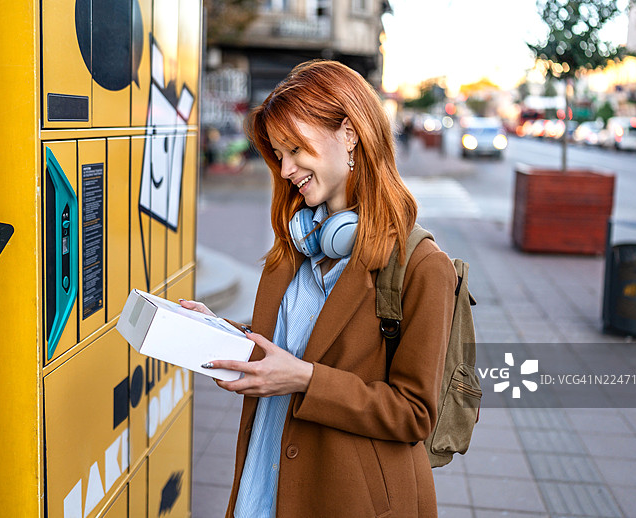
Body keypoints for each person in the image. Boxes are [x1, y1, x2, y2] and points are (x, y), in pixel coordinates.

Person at [180, 60, 456, 518]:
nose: (285, 169)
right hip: (265, 481)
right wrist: (221, 334)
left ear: (349, 133)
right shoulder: (296, 245)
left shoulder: (423, 266)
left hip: (346, 498)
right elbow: (289, 349)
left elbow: (415, 414)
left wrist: (306, 380)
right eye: (278, 154)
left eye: (294, 149)